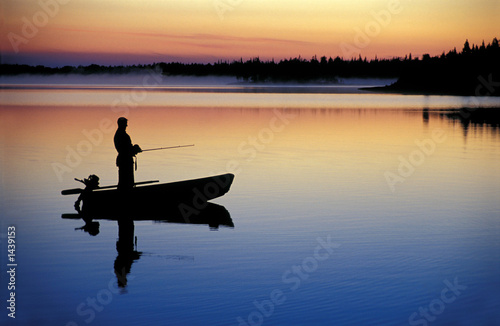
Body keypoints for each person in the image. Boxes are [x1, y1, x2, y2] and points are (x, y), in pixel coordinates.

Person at [114, 117, 141, 190]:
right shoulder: (122, 135)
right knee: (126, 182)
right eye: (125, 124)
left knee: (125, 181)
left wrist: (133, 149)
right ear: (121, 124)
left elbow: (126, 149)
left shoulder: (120, 134)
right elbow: (125, 149)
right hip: (125, 161)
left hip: (124, 160)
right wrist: (134, 149)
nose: (126, 126)